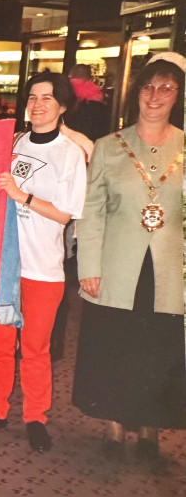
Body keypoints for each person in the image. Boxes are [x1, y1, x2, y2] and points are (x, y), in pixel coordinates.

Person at [72, 52, 186, 462]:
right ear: (137, 92)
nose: (155, 96)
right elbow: (91, 213)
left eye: (166, 88)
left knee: (158, 352)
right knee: (115, 347)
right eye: (148, 86)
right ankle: (115, 429)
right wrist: (89, 268)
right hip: (118, 270)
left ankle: (151, 431)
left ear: (178, 96)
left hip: (170, 273)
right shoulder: (109, 147)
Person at [0, 71, 86, 453]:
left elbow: (66, 214)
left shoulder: (69, 154)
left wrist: (22, 196)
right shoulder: (14, 142)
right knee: (0, 344)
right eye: (32, 97)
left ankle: (36, 418)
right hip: (4, 266)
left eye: (46, 98)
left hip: (43, 268)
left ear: (62, 105)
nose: (36, 105)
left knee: (35, 348)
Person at [65, 63, 110, 142]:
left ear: (71, 74)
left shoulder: (64, 92)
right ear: (90, 77)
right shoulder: (97, 99)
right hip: (88, 142)